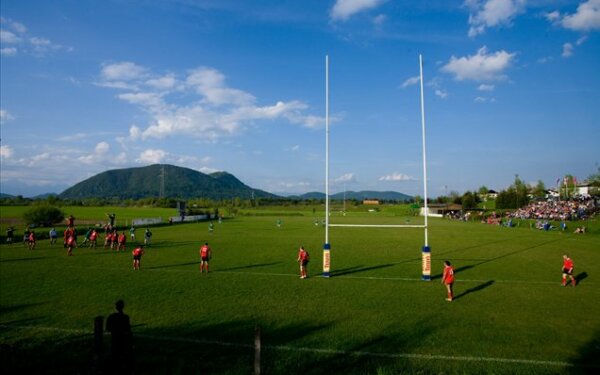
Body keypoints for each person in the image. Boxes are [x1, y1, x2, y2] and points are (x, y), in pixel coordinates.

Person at [105, 300, 132, 373]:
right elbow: (128, 330)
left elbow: (107, 328)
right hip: (123, 341)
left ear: (116, 307)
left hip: (114, 339)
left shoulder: (111, 317)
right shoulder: (126, 317)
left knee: (114, 355)